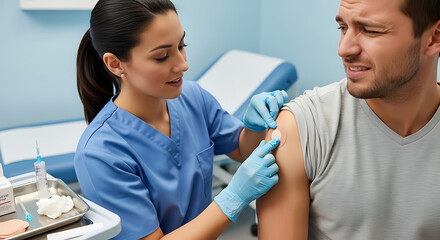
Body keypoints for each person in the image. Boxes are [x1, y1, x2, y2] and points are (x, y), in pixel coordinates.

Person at [74, 0, 288, 239]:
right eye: (162, 56)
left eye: (182, 45)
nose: (183, 64)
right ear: (115, 64)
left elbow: (242, 148)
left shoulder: (194, 97)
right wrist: (233, 198)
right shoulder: (100, 154)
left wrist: (253, 127)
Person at [257, 0, 440, 239]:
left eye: (371, 30)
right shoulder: (300, 128)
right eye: (342, 27)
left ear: (433, 38)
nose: (344, 49)